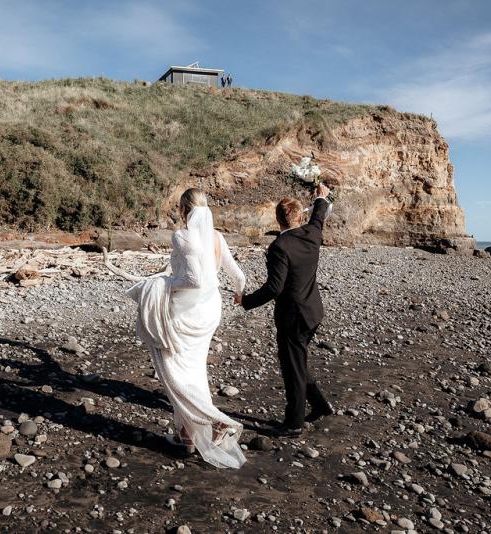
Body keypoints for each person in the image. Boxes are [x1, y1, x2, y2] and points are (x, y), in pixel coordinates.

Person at [127, 188, 247, 468]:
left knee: (174, 371)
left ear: (183, 209)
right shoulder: (217, 237)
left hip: (187, 313)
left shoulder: (182, 236)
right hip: (210, 311)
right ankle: (186, 436)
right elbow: (238, 276)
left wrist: (162, 283)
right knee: (194, 371)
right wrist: (239, 294)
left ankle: (215, 422)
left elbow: (193, 280)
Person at [235, 183, 335, 437]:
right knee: (297, 361)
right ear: (300, 217)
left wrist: (245, 301)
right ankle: (321, 406)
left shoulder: (279, 247)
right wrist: (321, 196)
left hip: (293, 317)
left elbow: (274, 288)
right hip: (313, 312)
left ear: (278, 219)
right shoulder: (312, 234)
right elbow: (320, 214)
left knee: (292, 368)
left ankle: (294, 423)